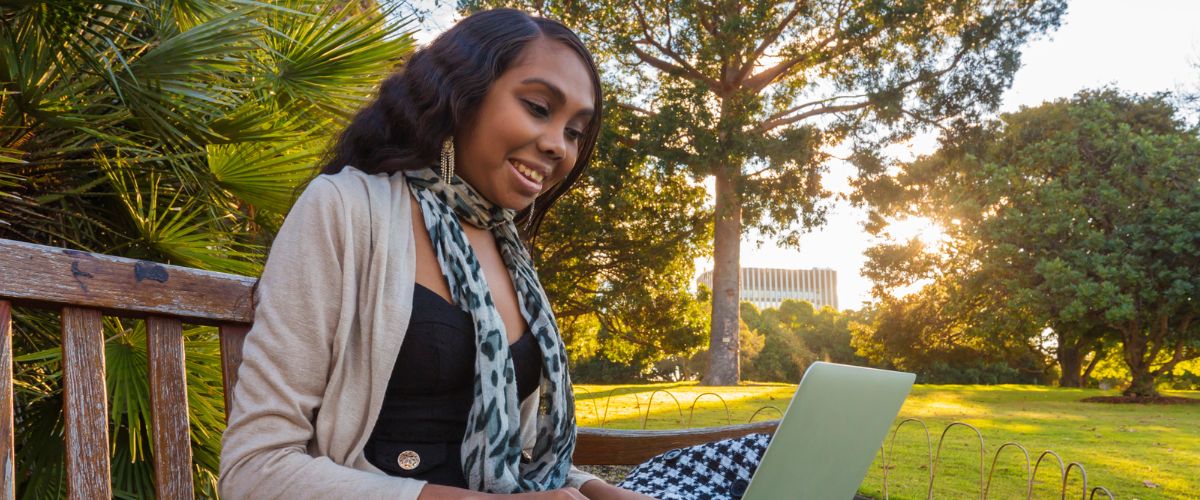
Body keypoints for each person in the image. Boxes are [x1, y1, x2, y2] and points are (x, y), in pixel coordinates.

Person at [218, 8, 656, 500]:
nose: (558, 145)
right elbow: (254, 469)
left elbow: (511, 460)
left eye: (574, 131)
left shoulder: (510, 252)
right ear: (461, 96)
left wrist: (597, 489)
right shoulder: (345, 208)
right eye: (537, 107)